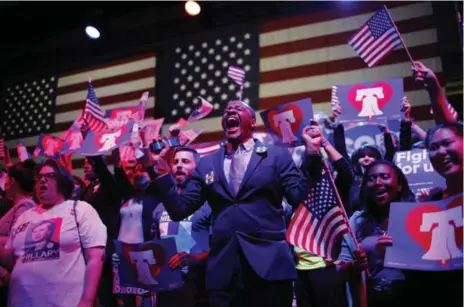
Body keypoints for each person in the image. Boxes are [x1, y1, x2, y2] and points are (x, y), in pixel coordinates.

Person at [144, 100, 316, 307]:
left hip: (270, 269)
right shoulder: (207, 163)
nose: (230, 111)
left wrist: (312, 153)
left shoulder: (275, 154)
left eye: (238, 109)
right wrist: (162, 172)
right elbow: (180, 210)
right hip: (224, 274)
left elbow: (297, 196)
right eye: (227, 111)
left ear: (252, 122)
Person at [0, 159, 107, 307]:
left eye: (49, 176)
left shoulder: (80, 210)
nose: (42, 180)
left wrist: (86, 301)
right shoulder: (24, 217)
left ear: (62, 181)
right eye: (39, 177)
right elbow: (12, 261)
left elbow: (95, 258)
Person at [338, 160, 415, 307]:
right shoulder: (357, 221)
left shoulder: (416, 215)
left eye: (384, 177)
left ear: (399, 185)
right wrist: (357, 264)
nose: (378, 182)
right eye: (371, 179)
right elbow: (341, 268)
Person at [153, 146, 211, 307]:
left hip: (199, 287)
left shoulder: (209, 205)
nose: (179, 165)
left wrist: (194, 259)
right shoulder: (159, 208)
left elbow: (222, 246)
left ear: (198, 169)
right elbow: (154, 246)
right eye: (176, 162)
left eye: (185, 161)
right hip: (167, 288)